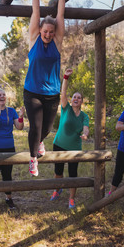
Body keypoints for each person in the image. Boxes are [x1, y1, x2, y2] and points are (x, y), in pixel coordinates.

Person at [23, 0, 67, 177]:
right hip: (32, 91)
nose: (48, 34)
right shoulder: (34, 39)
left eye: (51, 31)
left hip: (52, 93)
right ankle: (33, 159)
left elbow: (60, 15)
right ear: (40, 29)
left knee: (48, 129)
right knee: (36, 125)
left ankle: (40, 142)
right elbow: (36, 12)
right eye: (45, 31)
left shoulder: (57, 42)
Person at [50, 68, 89, 209]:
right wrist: (65, 77)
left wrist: (85, 134)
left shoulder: (84, 115)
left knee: (73, 175)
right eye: (74, 97)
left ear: (81, 102)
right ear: (71, 100)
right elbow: (63, 93)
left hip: (74, 149)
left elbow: (86, 127)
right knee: (58, 172)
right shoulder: (66, 108)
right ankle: (57, 190)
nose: (76, 99)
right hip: (59, 145)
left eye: (79, 98)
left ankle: (71, 199)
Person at [0, 88, 25, 211]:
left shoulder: (11, 111)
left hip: (8, 147)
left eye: (4, 95)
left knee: (7, 174)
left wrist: (21, 117)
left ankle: (9, 198)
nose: (2, 96)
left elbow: (19, 127)